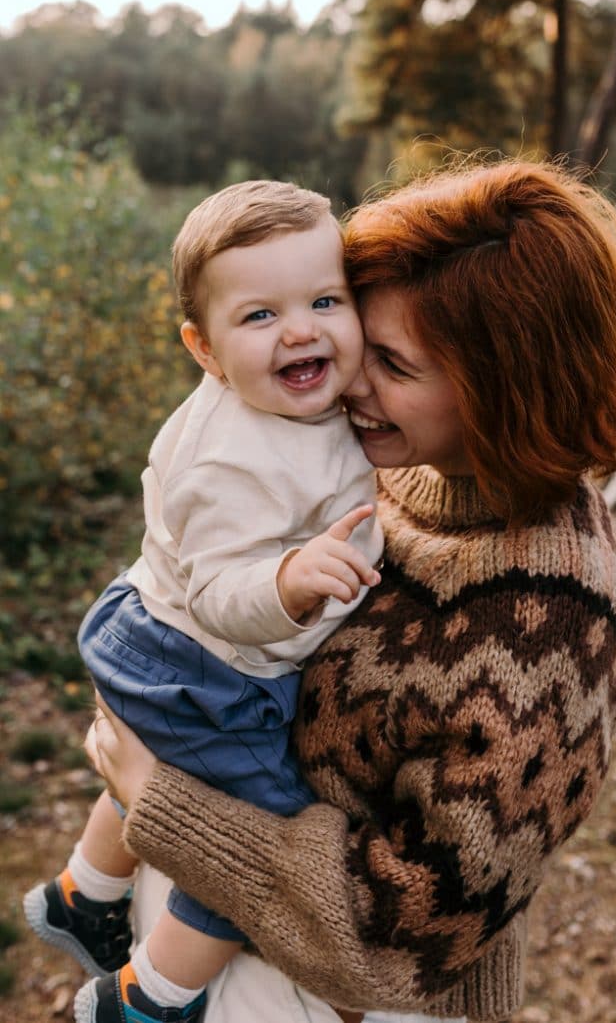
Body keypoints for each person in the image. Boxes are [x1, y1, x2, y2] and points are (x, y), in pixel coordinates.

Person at [86, 158, 616, 1023]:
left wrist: (159, 800)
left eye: (391, 364)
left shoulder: (549, 629)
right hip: (214, 942)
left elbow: (401, 933)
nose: (347, 378)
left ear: (504, 390)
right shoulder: (392, 464)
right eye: (356, 327)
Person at [24, 179, 384, 1023]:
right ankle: (150, 999)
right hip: (201, 657)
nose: (299, 329)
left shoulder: (285, 406)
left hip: (153, 629)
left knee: (172, 763)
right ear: (204, 348)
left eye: (325, 301)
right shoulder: (236, 462)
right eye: (259, 316)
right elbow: (223, 594)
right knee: (254, 838)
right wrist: (289, 584)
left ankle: (86, 893)